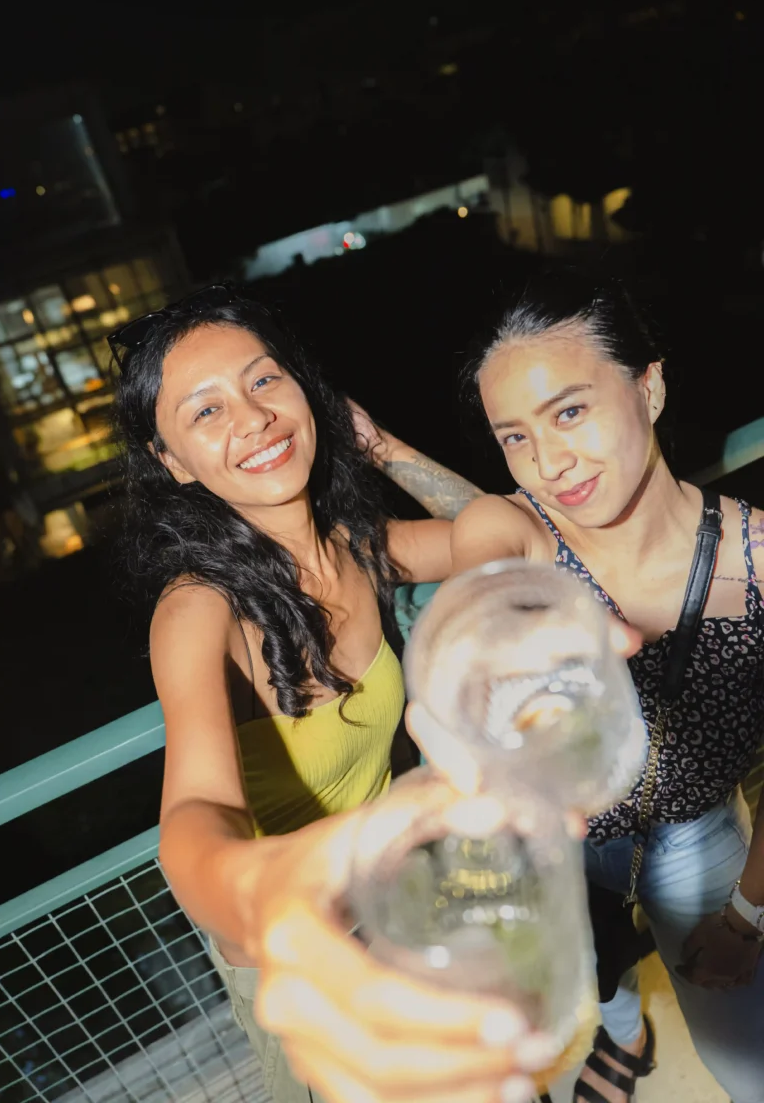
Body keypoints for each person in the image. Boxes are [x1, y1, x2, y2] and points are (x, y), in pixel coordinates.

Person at [111, 283, 551, 1103]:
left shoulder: (353, 546)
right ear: (171, 461)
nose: (252, 417)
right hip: (308, 949)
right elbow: (194, 812)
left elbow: (510, 539)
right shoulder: (199, 609)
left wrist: (380, 447)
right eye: (206, 411)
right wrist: (257, 888)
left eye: (263, 380)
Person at [407, 270, 764, 1103]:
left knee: (748, 1066)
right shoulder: (508, 528)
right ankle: (624, 1034)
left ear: (650, 387)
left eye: (569, 412)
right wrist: (473, 677)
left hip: (699, 843)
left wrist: (747, 917)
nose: (549, 462)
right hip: (559, 841)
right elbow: (482, 588)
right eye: (515, 437)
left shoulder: (758, 563)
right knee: (593, 980)